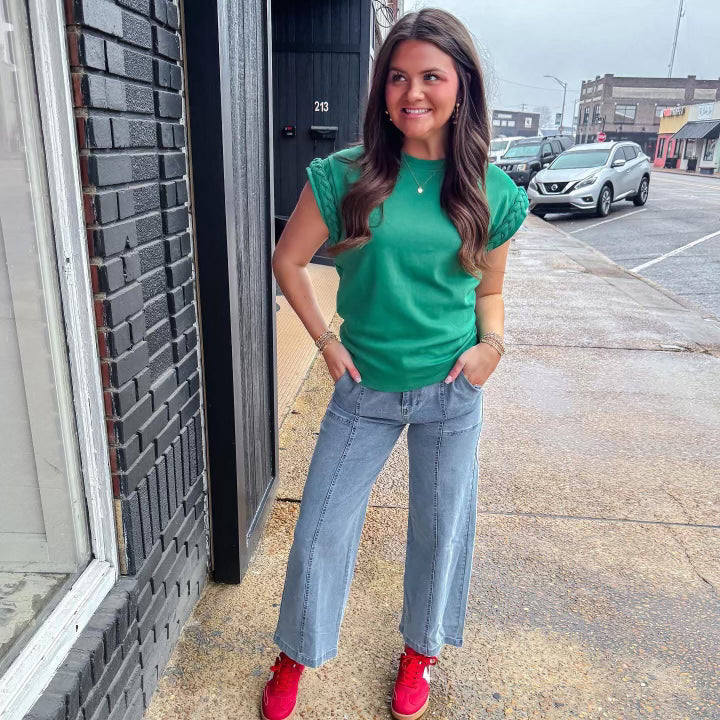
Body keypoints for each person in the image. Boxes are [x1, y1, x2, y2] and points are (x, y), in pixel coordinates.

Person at [263, 8, 528, 720]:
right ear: (382, 89)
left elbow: (491, 289)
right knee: (319, 528)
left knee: (440, 530)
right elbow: (288, 261)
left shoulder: (491, 193)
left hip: (451, 390)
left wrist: (491, 348)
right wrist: (325, 341)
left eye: (431, 76)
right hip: (363, 388)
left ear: (462, 85)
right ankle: (296, 651)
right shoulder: (347, 176)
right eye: (399, 77)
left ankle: (421, 652)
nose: (414, 92)